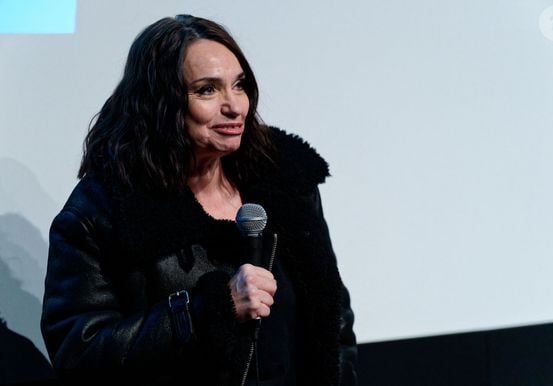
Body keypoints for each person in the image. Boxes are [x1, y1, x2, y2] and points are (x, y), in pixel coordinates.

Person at [41, 14, 357, 386]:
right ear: (160, 102)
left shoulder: (284, 180)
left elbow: (334, 319)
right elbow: (79, 353)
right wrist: (209, 311)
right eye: (207, 90)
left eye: (239, 85)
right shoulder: (104, 211)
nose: (234, 106)